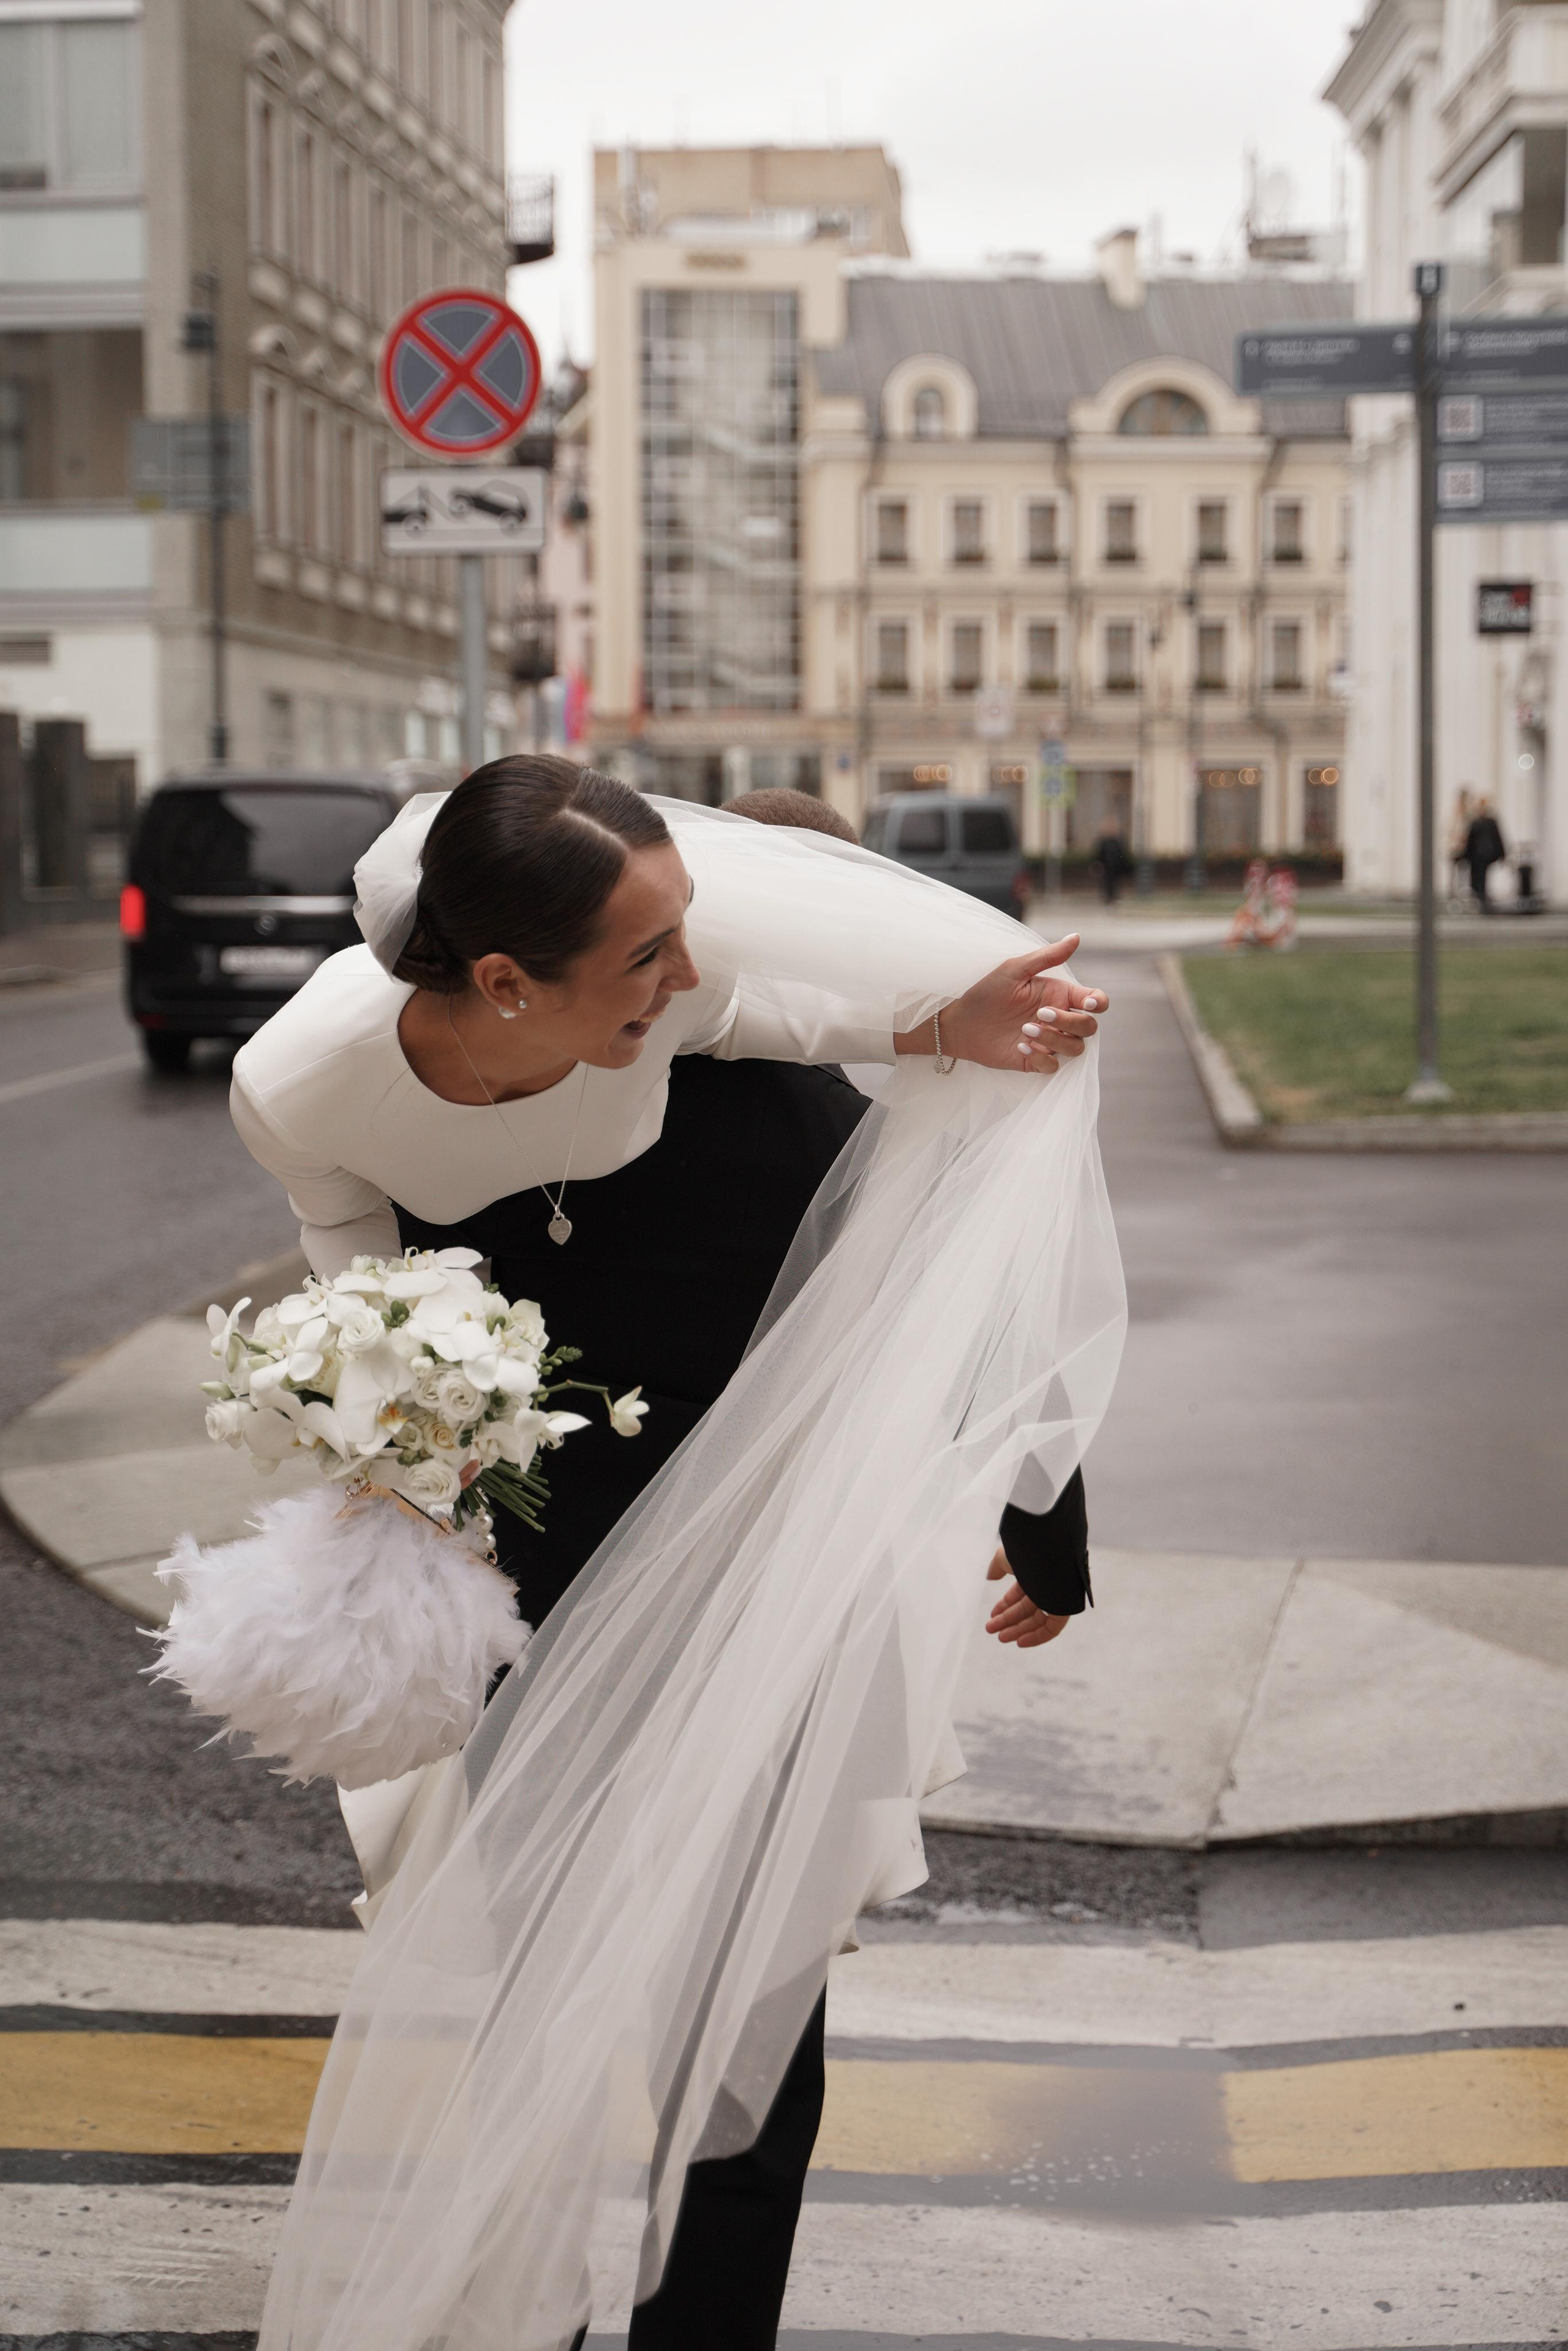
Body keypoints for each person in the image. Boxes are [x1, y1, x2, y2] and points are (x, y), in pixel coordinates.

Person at [236, 757, 1123, 2351]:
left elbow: (373, 1308)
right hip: (766, 1610)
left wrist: (393, 1464)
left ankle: (545, 2301)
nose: (689, 974)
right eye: (656, 944)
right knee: (751, 2052)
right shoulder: (791, 1093)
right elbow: (971, 1310)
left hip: (546, 1593)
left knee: (552, 2011)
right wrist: (1046, 1533)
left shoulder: (649, 1012)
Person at [1464, 797, 1507, 912]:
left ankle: (1481, 896)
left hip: (1481, 854)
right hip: (1482, 854)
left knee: (1480, 876)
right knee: (1480, 876)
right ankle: (1481, 896)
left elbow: (1497, 838)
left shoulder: (1479, 822)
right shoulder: (1482, 822)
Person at [1091, 817, 1132, 905]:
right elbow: (1099, 854)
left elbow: (1122, 854)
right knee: (1106, 883)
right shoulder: (1103, 841)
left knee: (1115, 883)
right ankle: (1108, 898)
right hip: (1106, 867)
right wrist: (1098, 864)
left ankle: (1113, 897)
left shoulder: (1118, 841)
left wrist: (1123, 864)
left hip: (1116, 867)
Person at [1448, 787, 1475, 906]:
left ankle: (1464, 892)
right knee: (1455, 872)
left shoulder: (1469, 814)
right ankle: (1455, 894)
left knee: (1465, 871)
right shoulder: (1456, 814)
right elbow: (1451, 829)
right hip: (1456, 847)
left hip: (1467, 847)